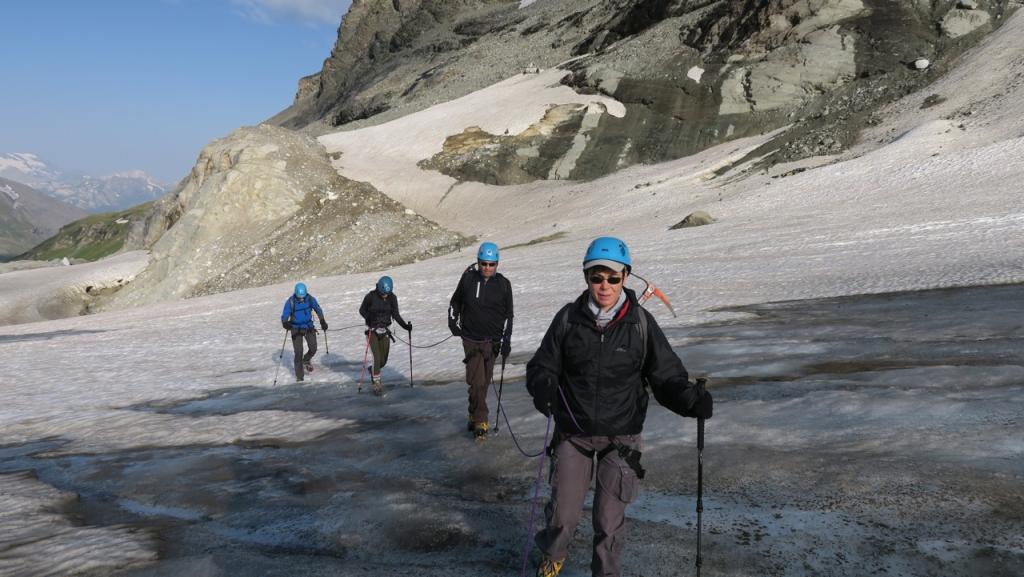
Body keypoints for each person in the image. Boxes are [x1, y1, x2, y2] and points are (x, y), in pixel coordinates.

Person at [526, 237, 713, 577]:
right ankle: (554, 554)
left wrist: (688, 400)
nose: (605, 286)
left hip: (621, 440)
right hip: (574, 434)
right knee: (563, 516)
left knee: (608, 524)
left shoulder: (640, 324)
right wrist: (544, 388)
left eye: (613, 277)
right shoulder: (568, 319)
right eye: (597, 277)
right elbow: (542, 365)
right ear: (587, 278)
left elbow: (666, 375)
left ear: (626, 276)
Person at [448, 241, 514, 439]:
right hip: (470, 338)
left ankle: (472, 411)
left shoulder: (503, 284)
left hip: (493, 341)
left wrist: (507, 340)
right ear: (478, 262)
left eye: (491, 264)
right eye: (483, 264)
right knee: (476, 382)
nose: (487, 268)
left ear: (497, 264)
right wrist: (452, 321)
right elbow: (455, 301)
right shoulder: (468, 279)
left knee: (483, 383)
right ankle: (481, 422)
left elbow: (509, 315)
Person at [359, 275, 412, 396]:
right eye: (383, 294)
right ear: (379, 289)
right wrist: (369, 318)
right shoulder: (371, 296)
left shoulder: (392, 298)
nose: (385, 296)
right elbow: (362, 310)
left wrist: (405, 326)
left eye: (386, 294)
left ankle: (372, 370)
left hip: (385, 331)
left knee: (383, 361)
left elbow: (396, 315)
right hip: (372, 331)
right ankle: (376, 382)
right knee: (377, 358)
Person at [280, 282, 327, 382]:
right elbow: (285, 314)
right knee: (298, 352)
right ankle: (300, 377)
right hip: (296, 329)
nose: (301, 298)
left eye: (303, 297)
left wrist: (322, 321)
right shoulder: (291, 301)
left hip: (308, 326)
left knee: (313, 348)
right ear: (296, 294)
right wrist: (285, 323)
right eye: (299, 297)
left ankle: (306, 359)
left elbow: (318, 309)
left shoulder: (310, 299)